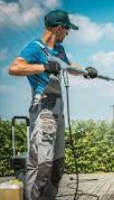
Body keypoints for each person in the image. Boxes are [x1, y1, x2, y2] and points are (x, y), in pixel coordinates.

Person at [9, 10, 98, 200]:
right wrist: (43, 67)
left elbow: (68, 66)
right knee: (42, 164)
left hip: (58, 111)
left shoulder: (59, 50)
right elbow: (14, 68)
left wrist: (85, 71)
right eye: (67, 29)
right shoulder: (35, 48)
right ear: (58, 28)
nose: (68, 33)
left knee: (57, 165)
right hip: (44, 111)